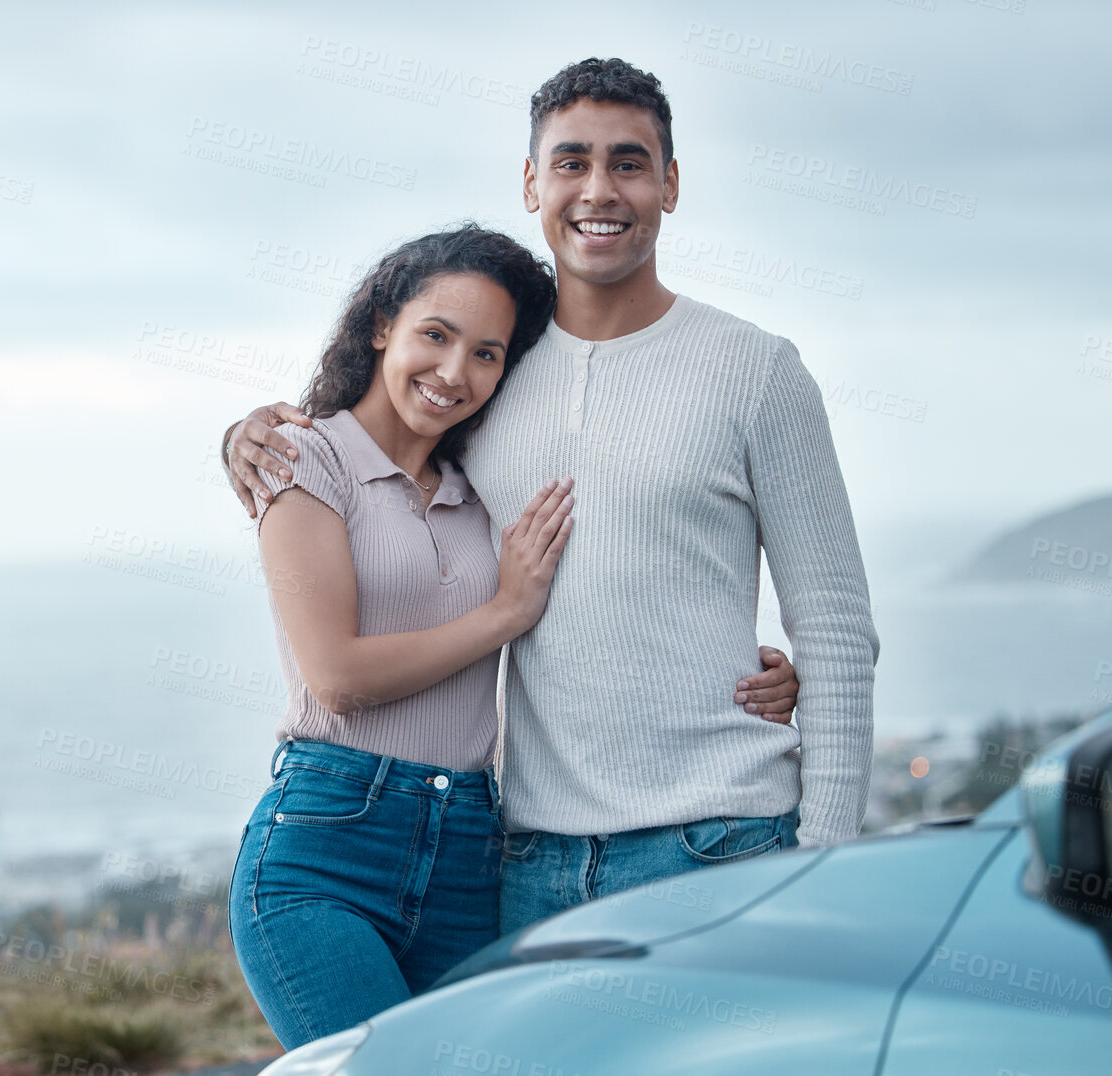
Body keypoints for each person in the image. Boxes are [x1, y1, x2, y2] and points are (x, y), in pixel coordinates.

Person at [222, 57, 877, 940]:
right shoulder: (492, 377)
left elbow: (834, 630)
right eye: (571, 162)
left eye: (629, 163)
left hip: (724, 846)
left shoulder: (756, 372)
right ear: (532, 185)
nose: (599, 189)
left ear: (670, 184)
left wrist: (822, 859)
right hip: (529, 868)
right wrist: (242, 436)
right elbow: (378, 467)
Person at [226, 223, 801, 1049]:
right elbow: (338, 677)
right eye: (435, 334)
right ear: (381, 323)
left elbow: (614, 580)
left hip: (470, 847)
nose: (455, 373)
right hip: (328, 846)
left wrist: (745, 669)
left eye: (488, 354)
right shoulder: (302, 457)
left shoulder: (483, 482)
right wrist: (503, 612)